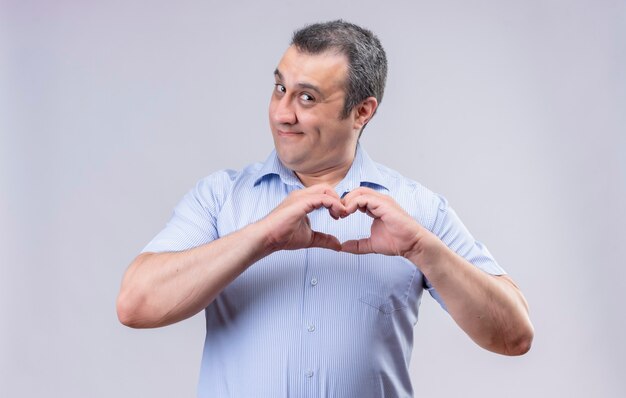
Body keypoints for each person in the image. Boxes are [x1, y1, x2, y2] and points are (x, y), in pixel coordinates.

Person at [117, 20, 533, 398]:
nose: (282, 113)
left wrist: (424, 250)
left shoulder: (417, 210)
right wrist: (261, 237)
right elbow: (134, 304)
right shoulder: (220, 197)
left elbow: (514, 336)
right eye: (280, 88)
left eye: (307, 98)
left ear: (362, 111)